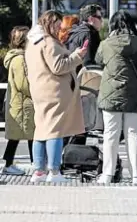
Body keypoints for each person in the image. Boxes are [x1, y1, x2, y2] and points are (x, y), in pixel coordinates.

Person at [25, 10, 88, 183]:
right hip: (54, 92)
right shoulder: (49, 43)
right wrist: (77, 56)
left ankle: (38, 171)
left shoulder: (33, 42)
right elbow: (58, 67)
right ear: (51, 23)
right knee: (55, 130)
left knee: (41, 130)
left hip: (39, 90)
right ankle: (54, 171)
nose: (60, 27)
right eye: (58, 24)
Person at [95, 10, 137, 186]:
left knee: (110, 135)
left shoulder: (106, 44)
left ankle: (107, 175)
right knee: (134, 135)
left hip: (110, 96)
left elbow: (98, 60)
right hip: (134, 96)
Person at [2, 26, 34, 175]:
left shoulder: (17, 57)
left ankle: (9, 163)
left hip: (20, 103)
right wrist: (36, 91)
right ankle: (35, 164)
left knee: (20, 136)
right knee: (31, 136)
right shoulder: (20, 59)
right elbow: (23, 84)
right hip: (23, 103)